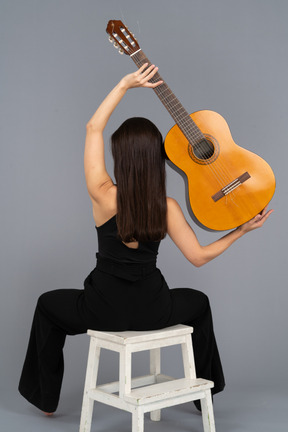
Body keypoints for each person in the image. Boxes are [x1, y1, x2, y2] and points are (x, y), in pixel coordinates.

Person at [18, 63, 273, 415]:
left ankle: (46, 402)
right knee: (198, 303)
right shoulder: (166, 207)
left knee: (48, 305)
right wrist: (240, 231)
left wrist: (124, 84)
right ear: (158, 159)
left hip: (100, 309)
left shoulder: (103, 194)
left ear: (119, 157)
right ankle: (205, 399)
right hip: (155, 309)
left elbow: (93, 127)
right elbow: (198, 257)